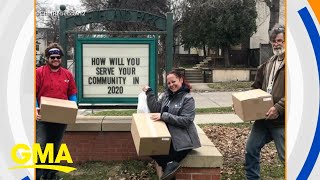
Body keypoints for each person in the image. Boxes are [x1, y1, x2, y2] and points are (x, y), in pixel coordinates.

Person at [143, 70, 201, 180]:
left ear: (181, 80)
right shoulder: (166, 96)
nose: (171, 85)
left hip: (183, 140)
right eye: (168, 83)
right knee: (149, 148)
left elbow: (186, 120)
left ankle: (170, 165)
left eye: (173, 81)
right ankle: (171, 164)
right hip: (168, 137)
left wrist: (164, 116)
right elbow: (155, 109)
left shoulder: (188, 99)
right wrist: (149, 93)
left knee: (166, 163)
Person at [245, 24, 285, 180]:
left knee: (287, 158)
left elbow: (297, 92)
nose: (276, 44)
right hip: (263, 119)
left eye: (280, 40)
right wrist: (243, 103)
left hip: (282, 121)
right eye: (274, 41)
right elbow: (256, 87)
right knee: (251, 150)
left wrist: (278, 108)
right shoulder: (269, 63)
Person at [36, 43, 77, 180]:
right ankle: (38, 175)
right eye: (52, 57)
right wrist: (35, 108)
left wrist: (73, 106)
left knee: (55, 147)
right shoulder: (39, 73)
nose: (56, 59)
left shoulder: (67, 74)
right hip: (43, 116)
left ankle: (51, 175)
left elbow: (72, 93)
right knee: (41, 146)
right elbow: (32, 93)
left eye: (58, 57)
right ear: (47, 58)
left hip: (61, 117)